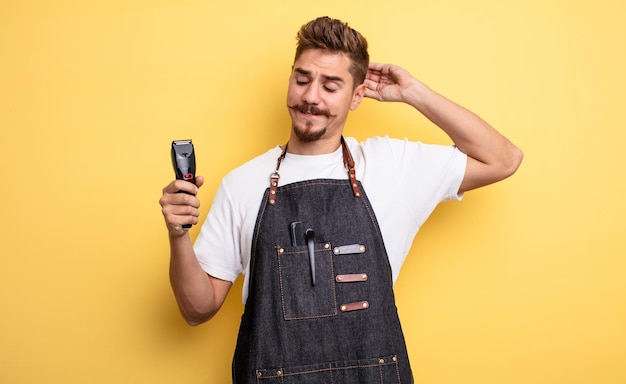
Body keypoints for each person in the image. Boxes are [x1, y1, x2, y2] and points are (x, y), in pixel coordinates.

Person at [160, 16, 522, 383]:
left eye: (331, 86)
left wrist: (413, 92)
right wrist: (178, 235)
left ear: (358, 95)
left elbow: (504, 159)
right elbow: (197, 309)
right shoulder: (243, 183)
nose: (310, 97)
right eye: (302, 79)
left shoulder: (392, 166)